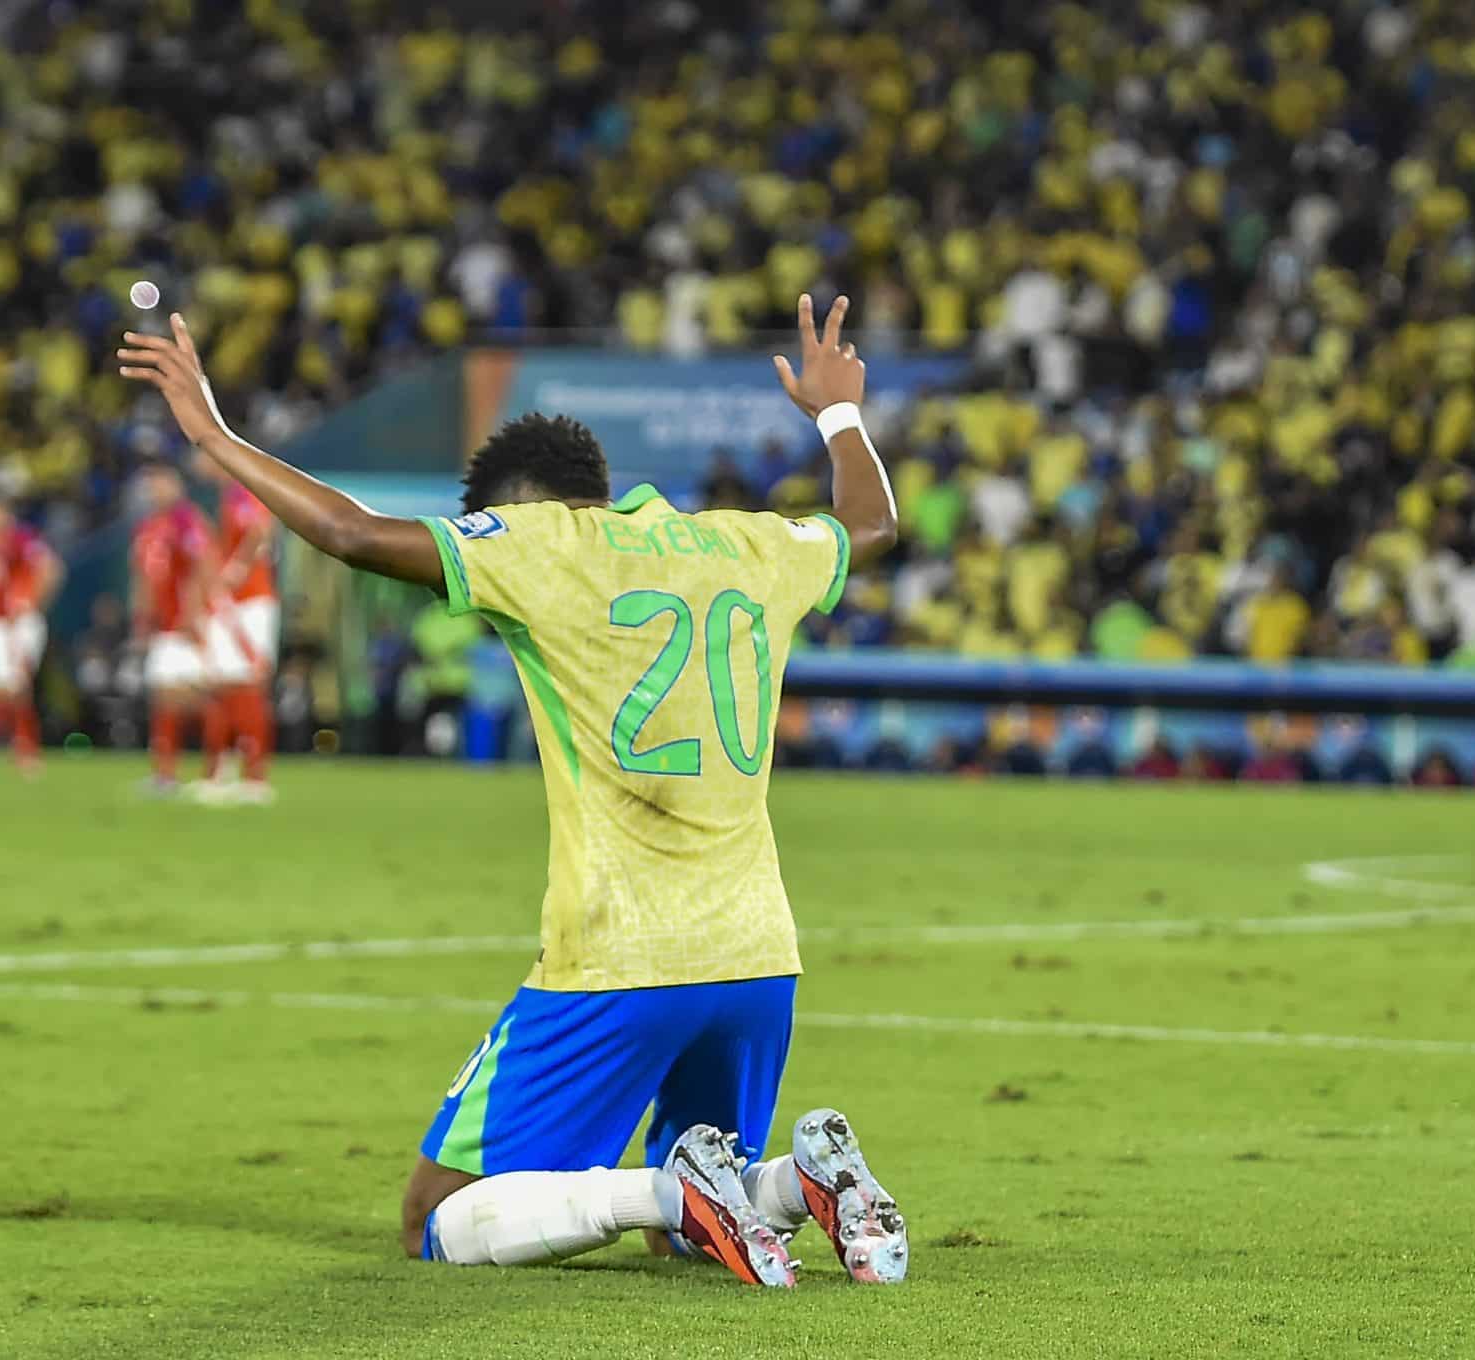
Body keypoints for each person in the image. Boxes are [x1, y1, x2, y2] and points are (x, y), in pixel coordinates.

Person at [117, 296, 906, 1288]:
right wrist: (836, 415)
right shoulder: (748, 544)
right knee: (696, 1230)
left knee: (433, 1217)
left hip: (617, 953)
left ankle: (664, 1190)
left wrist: (212, 432)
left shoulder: (539, 544)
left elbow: (352, 533)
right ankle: (799, 1182)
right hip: (759, 958)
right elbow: (870, 521)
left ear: (519, 504)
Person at [194, 459, 279, 804]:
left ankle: (255, 778)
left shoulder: (242, 492)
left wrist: (239, 567)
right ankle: (222, 771)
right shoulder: (228, 496)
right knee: (224, 685)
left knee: (246, 684)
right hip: (234, 603)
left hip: (250, 602)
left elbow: (261, 526)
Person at [0, 493, 62, 770]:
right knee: (2, 686)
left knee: (8, 685)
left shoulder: (19, 538)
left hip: (14, 623)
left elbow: (50, 569)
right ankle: (22, 752)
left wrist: (30, 603)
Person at [130, 462, 215, 793]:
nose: (156, 490)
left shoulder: (186, 520)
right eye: (151, 484)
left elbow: (205, 563)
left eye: (162, 483)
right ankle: (166, 774)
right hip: (163, 624)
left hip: (184, 622)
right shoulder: (147, 528)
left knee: (185, 697)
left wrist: (194, 613)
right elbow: (143, 579)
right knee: (164, 698)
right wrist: (141, 619)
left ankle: (221, 758)